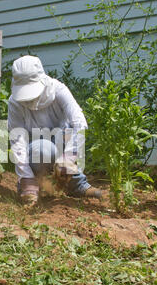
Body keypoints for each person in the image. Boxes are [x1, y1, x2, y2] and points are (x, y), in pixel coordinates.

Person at [8, 55, 103, 206]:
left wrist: (68, 158)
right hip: (36, 150)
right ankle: (34, 185)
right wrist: (25, 178)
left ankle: (75, 184)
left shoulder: (58, 90)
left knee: (63, 134)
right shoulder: (15, 102)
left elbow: (79, 123)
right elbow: (17, 141)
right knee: (42, 149)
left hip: (62, 143)